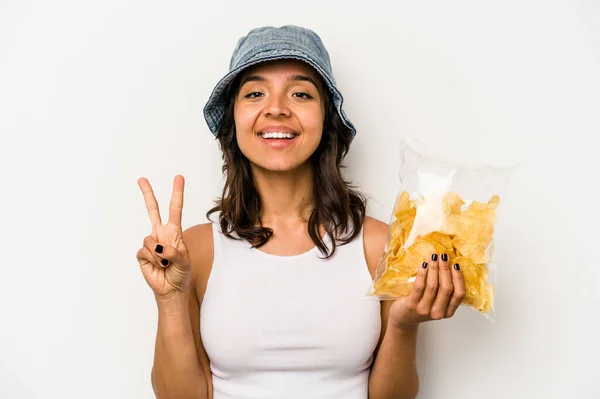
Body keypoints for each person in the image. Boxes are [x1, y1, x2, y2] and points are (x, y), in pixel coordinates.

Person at [136, 25, 466, 399]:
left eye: (300, 93)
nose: (276, 108)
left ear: (327, 120)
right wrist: (170, 300)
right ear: (234, 120)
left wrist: (404, 325)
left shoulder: (381, 245)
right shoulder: (195, 250)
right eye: (256, 93)